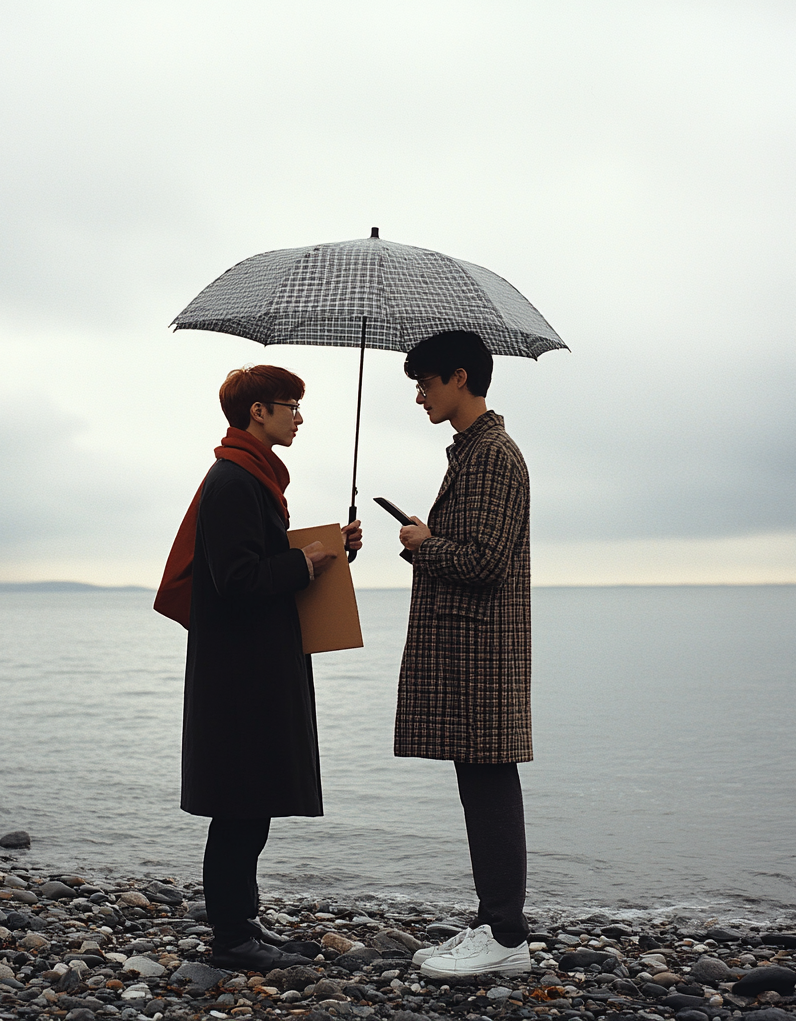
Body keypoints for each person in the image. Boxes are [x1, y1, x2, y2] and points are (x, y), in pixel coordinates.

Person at [154, 364, 362, 971]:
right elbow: (237, 579)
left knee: (250, 804)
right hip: (239, 677)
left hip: (251, 669)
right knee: (239, 807)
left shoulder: (253, 479)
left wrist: (329, 553)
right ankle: (231, 938)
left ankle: (244, 923)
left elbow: (255, 559)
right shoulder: (233, 480)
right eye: (289, 404)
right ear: (257, 414)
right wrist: (305, 564)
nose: (298, 416)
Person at [393, 330, 533, 979]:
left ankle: (505, 934)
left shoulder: (494, 457)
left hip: (481, 652)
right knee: (480, 786)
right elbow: (473, 549)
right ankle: (493, 923)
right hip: (469, 651)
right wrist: (427, 541)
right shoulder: (470, 454)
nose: (419, 395)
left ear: (458, 378)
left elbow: (484, 561)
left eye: (424, 383)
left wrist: (426, 545)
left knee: (490, 785)